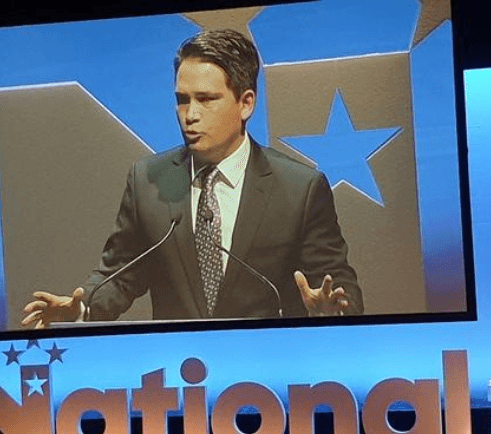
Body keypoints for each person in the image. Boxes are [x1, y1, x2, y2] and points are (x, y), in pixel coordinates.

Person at [21, 29, 362, 327]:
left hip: (264, 368)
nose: (190, 115)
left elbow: (337, 284)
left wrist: (331, 311)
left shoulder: (298, 188)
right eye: (182, 101)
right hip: (178, 371)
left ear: (246, 104)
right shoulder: (149, 181)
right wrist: (81, 309)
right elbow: (120, 275)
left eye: (206, 99)